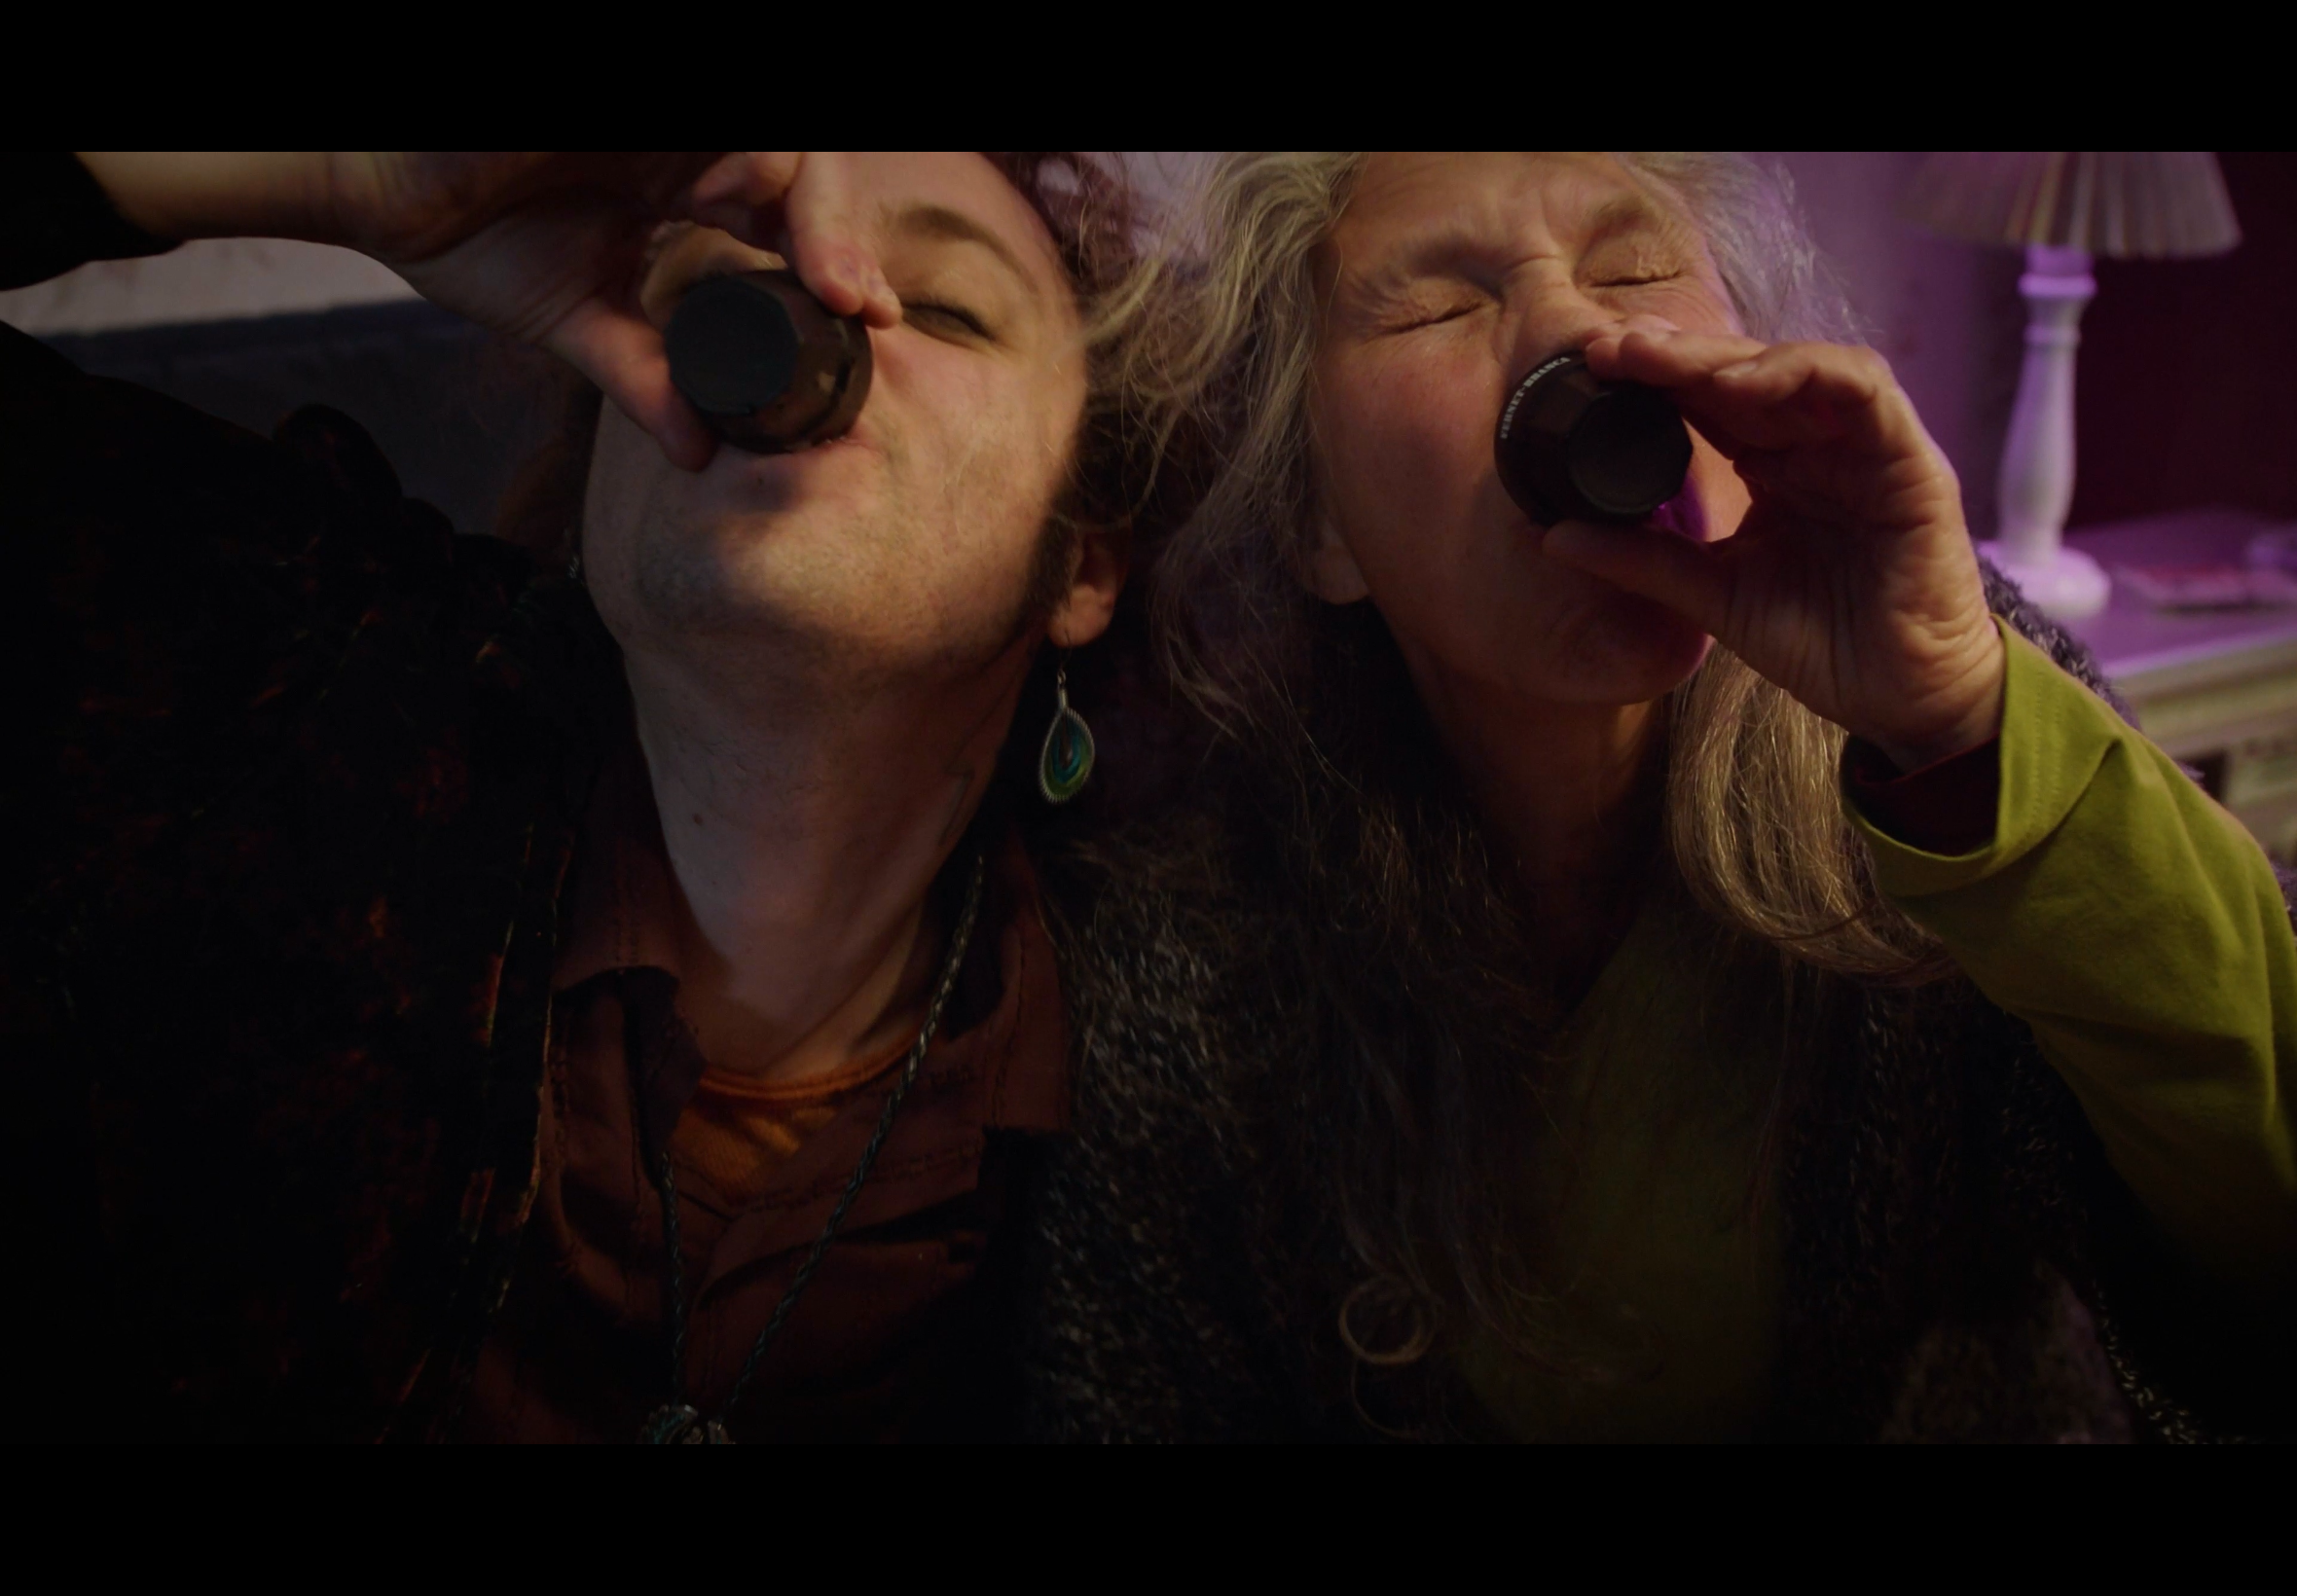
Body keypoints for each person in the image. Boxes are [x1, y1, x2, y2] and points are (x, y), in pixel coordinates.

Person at [1026, 152, 2297, 1441]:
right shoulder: (1195, 943)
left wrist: (1966, 724)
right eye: (1438, 307)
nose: (1583, 329)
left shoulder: (1948, 714)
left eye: (1638, 268)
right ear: (1318, 522)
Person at [0, 151, 1154, 1441]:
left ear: (1086, 564)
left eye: (946, 308)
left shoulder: (1192, 1094)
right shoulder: (260, 687)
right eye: (723, 285)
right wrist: (329, 172)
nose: (820, 311)